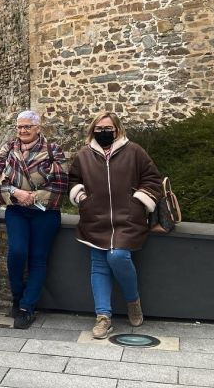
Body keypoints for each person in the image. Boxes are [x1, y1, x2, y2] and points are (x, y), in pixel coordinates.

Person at [68, 112, 162, 339]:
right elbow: (73, 180)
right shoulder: (84, 155)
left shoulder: (135, 152)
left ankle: (133, 300)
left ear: (117, 129)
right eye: (99, 128)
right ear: (93, 130)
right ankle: (103, 317)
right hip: (95, 219)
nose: (103, 132)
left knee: (118, 256)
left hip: (127, 220)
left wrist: (138, 201)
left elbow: (152, 179)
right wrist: (81, 197)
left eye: (107, 128)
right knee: (98, 265)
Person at [0, 110, 68, 329]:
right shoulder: (8, 148)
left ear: (38, 128)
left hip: (45, 212)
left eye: (27, 127)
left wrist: (34, 196)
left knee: (38, 258)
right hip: (17, 210)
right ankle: (17, 297)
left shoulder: (53, 150)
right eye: (19, 127)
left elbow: (61, 183)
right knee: (16, 252)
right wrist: (17, 194)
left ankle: (27, 307)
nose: (23, 131)